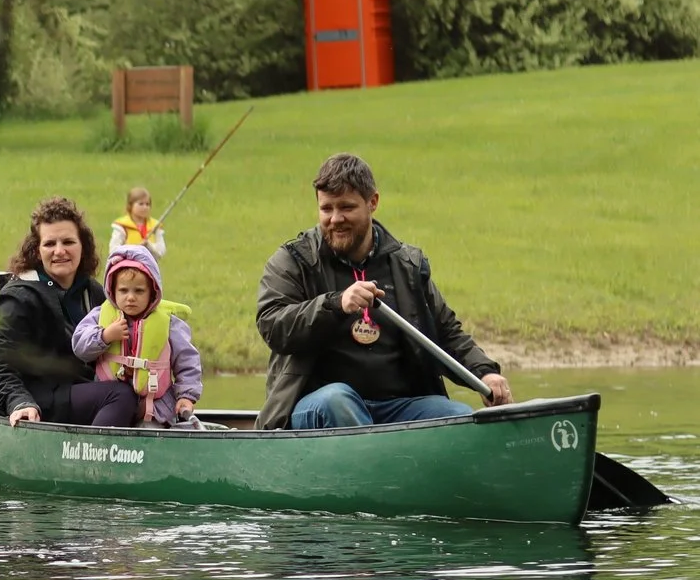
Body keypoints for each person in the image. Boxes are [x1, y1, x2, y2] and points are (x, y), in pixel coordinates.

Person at [255, 152, 509, 429]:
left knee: (457, 415)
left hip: (397, 405)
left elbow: (446, 332)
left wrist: (484, 373)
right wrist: (335, 304)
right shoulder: (294, 260)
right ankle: (375, 462)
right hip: (316, 404)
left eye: (346, 207)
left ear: (372, 202)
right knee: (338, 401)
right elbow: (273, 326)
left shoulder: (407, 265)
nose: (335, 219)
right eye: (326, 209)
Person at [0, 197, 116, 426]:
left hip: (79, 395)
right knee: (118, 395)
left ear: (82, 246)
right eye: (49, 244)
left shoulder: (94, 292)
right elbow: (0, 365)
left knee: (131, 392)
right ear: (37, 251)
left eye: (68, 242)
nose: (59, 251)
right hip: (35, 401)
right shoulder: (15, 298)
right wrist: (20, 403)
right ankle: (98, 455)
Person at [72, 245, 201, 427]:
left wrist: (187, 396)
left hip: (155, 409)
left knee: (151, 435)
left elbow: (187, 361)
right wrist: (105, 336)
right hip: (111, 404)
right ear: (112, 291)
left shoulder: (169, 324)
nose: (130, 297)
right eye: (124, 291)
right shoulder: (99, 316)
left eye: (139, 291)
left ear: (152, 292)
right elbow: (79, 346)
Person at [109, 186, 166, 257]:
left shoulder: (155, 226)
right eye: (141, 204)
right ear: (130, 205)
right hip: (128, 265)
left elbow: (161, 251)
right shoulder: (122, 226)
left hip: (149, 265)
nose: (145, 207)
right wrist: (134, 249)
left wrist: (148, 245)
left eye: (147, 204)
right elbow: (113, 250)